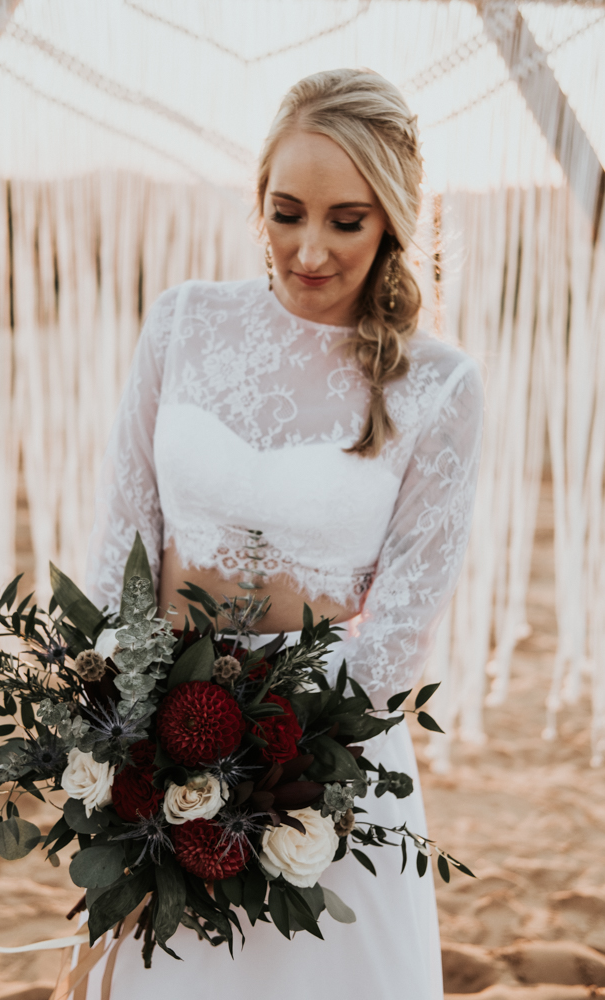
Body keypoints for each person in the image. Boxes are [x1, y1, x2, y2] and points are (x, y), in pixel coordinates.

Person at [84, 68, 483, 1000]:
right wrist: (115, 713)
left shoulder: (440, 385)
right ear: (257, 199)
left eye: (347, 220)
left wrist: (272, 762)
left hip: (321, 762)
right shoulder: (183, 322)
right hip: (161, 724)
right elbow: (124, 533)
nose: (309, 250)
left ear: (391, 219)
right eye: (285, 211)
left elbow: (403, 623)